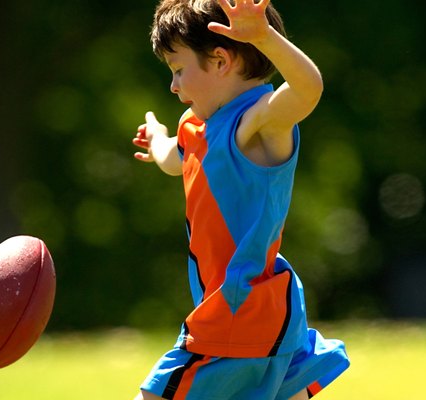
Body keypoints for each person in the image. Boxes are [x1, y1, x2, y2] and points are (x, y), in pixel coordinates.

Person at [131, 1, 349, 399]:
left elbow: (308, 87)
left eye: (179, 70)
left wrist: (264, 37)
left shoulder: (258, 122)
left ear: (219, 61)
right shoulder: (196, 126)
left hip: (238, 309)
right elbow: (175, 161)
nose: (173, 86)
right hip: (266, 310)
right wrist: (159, 139)